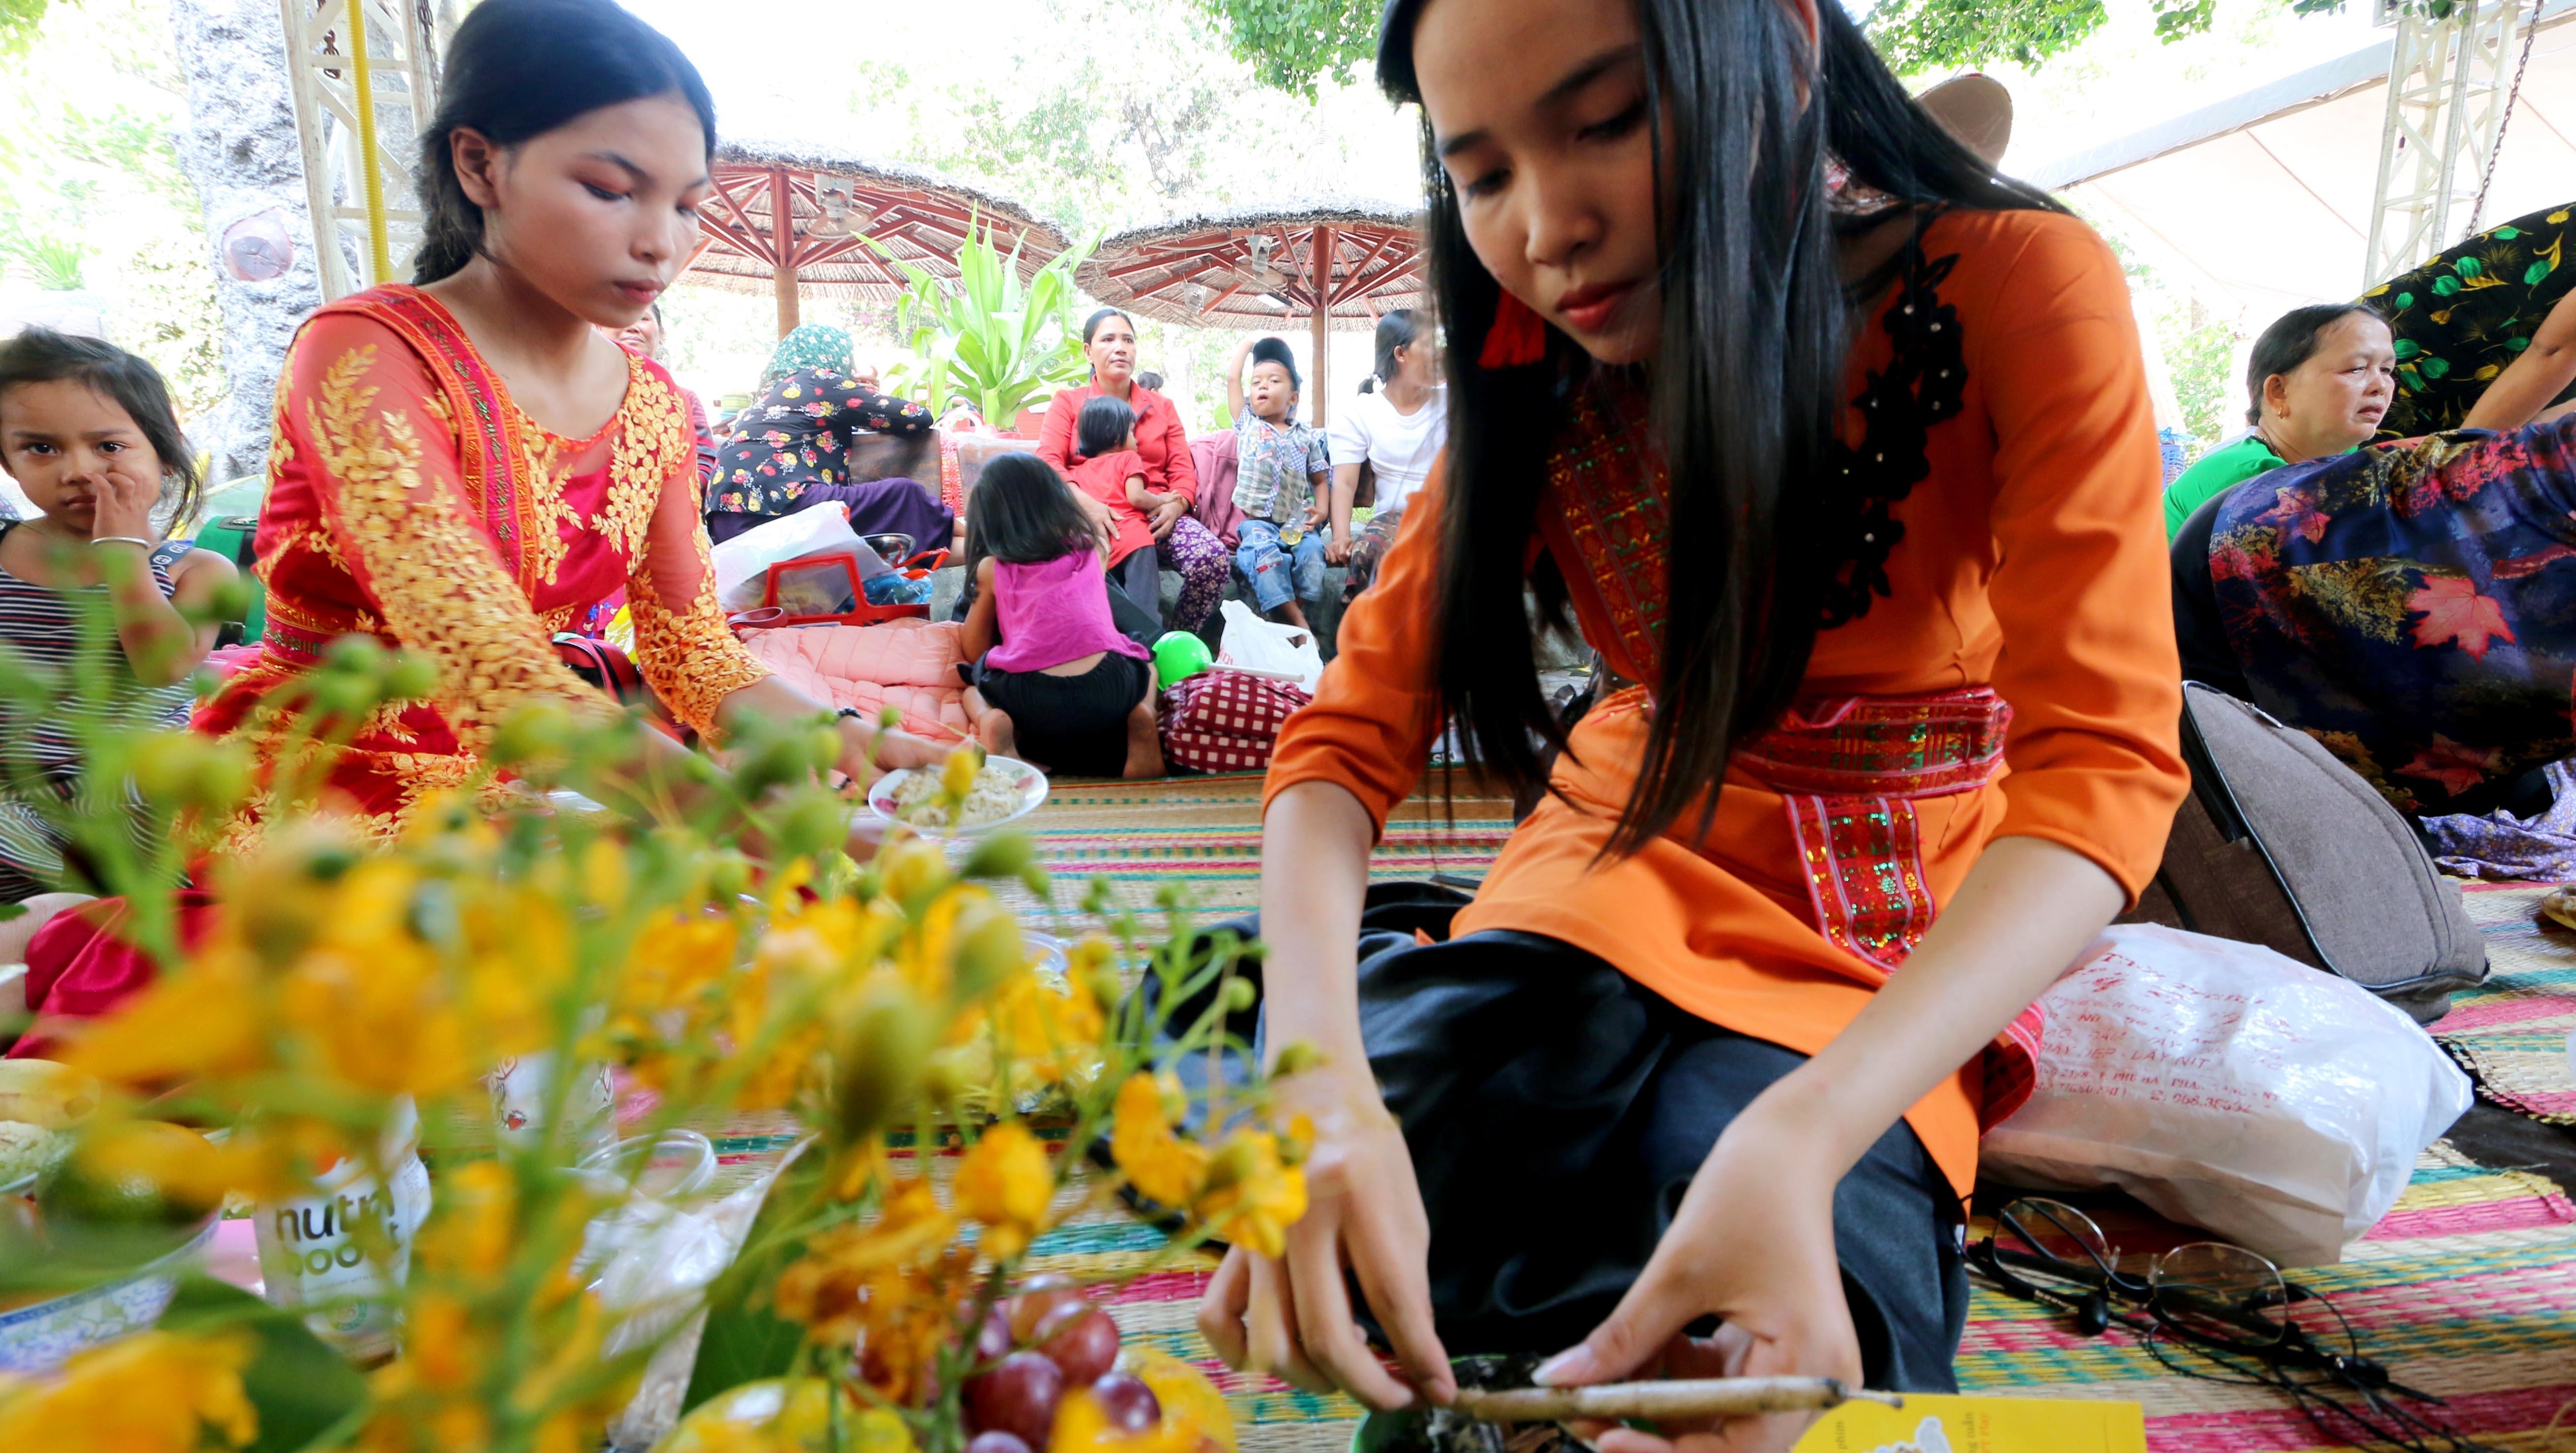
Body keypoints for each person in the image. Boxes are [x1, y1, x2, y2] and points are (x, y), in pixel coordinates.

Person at [1196, 0, 2185, 1441]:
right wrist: (1316, 1085)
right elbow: (1341, 751)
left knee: (1787, 1306)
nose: (1545, 227)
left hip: (1871, 918)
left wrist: (1809, 1131)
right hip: (1603, 866)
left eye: (1605, 122)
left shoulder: (2018, 284)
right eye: (1481, 173)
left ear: (1774, 62)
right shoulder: (1533, 369)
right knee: (1397, 1162)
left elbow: (2098, 775)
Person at [194, 0, 946, 847]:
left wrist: (840, 731)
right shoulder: (366, 353)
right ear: (479, 165)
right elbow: (488, 665)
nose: (661, 242)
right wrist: (737, 820)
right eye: (610, 190)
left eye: (688, 206)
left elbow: (691, 652)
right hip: (320, 803)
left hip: (510, 795)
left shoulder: (652, 404)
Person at [0, 330, 238, 899]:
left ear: (162, 446)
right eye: (41, 448)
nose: (79, 470)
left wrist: (124, 553)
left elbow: (164, 666)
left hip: (132, 808)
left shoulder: (195, 570)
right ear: (6, 460)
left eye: (108, 447)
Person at [958, 452, 1161, 780]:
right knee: (1146, 657)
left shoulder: (993, 569)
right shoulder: (1091, 548)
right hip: (1112, 688)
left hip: (1030, 697)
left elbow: (974, 650)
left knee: (972, 687)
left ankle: (994, 727)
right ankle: (1143, 715)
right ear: (1057, 502)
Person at [1038, 309, 1228, 634]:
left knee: (1212, 560)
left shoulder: (1162, 407)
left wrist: (1176, 505)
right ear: (1088, 351)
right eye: (1108, 339)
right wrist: (1087, 506)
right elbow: (1048, 463)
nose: (1121, 347)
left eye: (1128, 340)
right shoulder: (1068, 403)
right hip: (1088, 515)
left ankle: (1174, 643)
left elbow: (1183, 470)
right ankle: (1096, 653)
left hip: (1155, 517)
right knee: (1056, 565)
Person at [705, 323, 954, 552]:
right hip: (778, 508)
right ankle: (980, 532)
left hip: (726, 522)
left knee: (873, 531)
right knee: (904, 494)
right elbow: (916, 416)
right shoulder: (818, 379)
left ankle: (978, 539)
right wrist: (860, 390)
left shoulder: (772, 394)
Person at [2160, 304, 2394, 538]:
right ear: (2279, 391)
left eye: (2386, 369)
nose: (2381, 386)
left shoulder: (2341, 462)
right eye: (2356, 369)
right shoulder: (2252, 476)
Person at [1326, 308, 1446, 600]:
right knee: (1372, 549)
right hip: (1395, 518)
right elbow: (1344, 483)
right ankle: (1363, 638)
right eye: (1430, 345)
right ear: (1401, 354)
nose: (1439, 355)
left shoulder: (1454, 401)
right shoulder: (1361, 413)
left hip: (1448, 512)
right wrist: (1341, 537)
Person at [1224, 335, 1331, 628]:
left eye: (1273, 381)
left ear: (1293, 398)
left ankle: (1291, 613)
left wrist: (1321, 512)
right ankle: (1298, 622)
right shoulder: (1248, 424)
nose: (1262, 386)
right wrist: (1246, 345)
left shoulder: (1305, 437)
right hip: (1258, 523)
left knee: (1313, 555)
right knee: (1261, 556)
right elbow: (1233, 378)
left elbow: (1320, 481)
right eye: (1257, 382)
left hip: (1295, 524)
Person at [609, 300, 717, 489]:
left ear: (661, 335)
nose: (633, 327)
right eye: (622, 317)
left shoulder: (683, 399)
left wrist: (672, 500)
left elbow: (704, 460)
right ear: (598, 328)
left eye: (643, 319)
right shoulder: (581, 391)